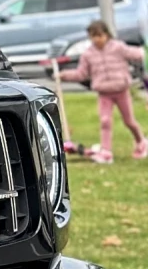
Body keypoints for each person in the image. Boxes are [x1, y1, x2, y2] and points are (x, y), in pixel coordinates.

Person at [60, 19, 147, 162]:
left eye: (100, 36)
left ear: (107, 34)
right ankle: (106, 152)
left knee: (129, 121)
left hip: (121, 90)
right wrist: (64, 75)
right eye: (93, 36)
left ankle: (141, 142)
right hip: (104, 93)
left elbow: (137, 54)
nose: (97, 39)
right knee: (105, 121)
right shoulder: (88, 54)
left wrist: (142, 51)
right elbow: (81, 74)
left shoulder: (118, 47)